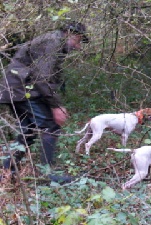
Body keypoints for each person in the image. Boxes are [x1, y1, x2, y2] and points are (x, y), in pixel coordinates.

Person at [0, 21, 89, 183]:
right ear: (68, 33)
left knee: (29, 130)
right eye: (78, 40)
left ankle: (6, 172)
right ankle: (47, 176)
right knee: (50, 126)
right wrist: (55, 106)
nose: (78, 46)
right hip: (21, 89)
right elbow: (43, 78)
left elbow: (45, 78)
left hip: (15, 88)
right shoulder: (52, 43)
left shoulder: (53, 42)